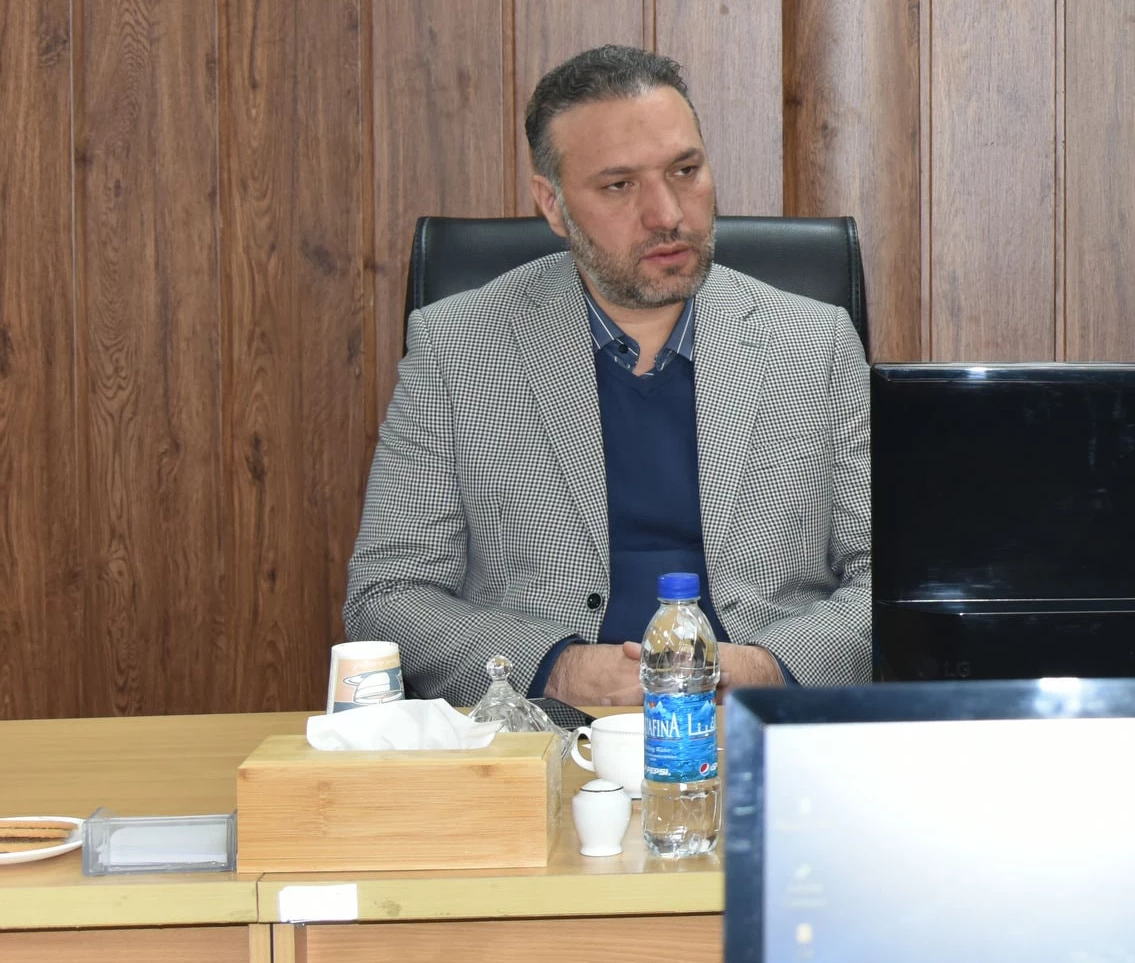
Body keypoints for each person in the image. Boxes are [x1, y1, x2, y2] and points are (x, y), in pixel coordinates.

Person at [346, 45, 872, 705]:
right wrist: (557, 670)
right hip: (546, 730)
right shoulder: (456, 348)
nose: (667, 214)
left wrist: (768, 669)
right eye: (619, 186)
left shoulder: (816, 342)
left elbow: (886, 579)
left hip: (751, 723)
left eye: (685, 170)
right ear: (553, 205)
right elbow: (387, 594)